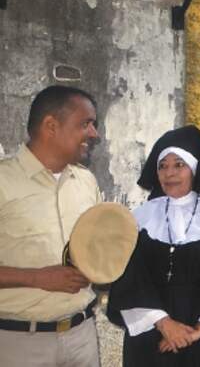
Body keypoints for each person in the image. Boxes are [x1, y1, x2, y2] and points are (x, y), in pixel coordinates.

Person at [107, 125, 200, 366]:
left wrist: (196, 331)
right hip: (151, 333)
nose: (170, 173)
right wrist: (165, 324)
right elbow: (130, 278)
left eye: (179, 165)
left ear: (194, 169)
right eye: (163, 166)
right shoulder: (139, 219)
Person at [0, 85, 103, 367]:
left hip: (82, 336)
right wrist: (36, 278)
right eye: (86, 123)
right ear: (51, 125)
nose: (94, 134)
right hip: (18, 344)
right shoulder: (3, 181)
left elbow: (97, 251)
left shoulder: (86, 182)